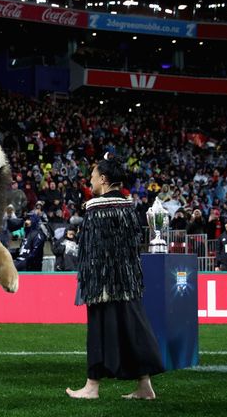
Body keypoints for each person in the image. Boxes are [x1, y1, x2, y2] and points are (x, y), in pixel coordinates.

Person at [66, 154, 164, 400]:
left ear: (103, 178)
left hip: (103, 282)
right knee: (133, 329)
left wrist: (91, 280)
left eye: (92, 176)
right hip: (127, 280)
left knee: (99, 330)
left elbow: (91, 249)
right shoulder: (128, 205)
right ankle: (145, 386)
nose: (90, 180)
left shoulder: (95, 207)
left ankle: (92, 387)